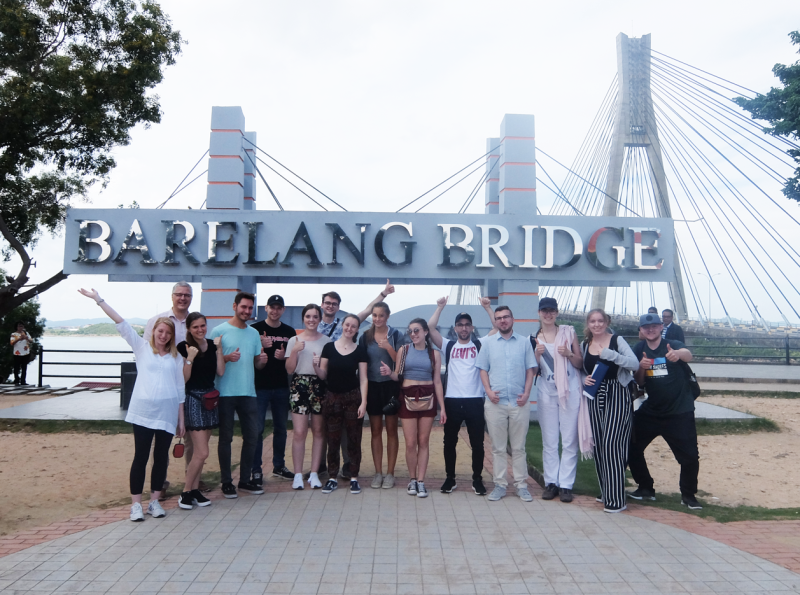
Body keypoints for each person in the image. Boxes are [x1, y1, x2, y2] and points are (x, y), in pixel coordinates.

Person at [78, 288, 185, 522]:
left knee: (162, 458)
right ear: (154, 331)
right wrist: (99, 299)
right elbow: (121, 322)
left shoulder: (177, 358)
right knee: (141, 457)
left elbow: (180, 389)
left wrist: (181, 419)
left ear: (172, 336)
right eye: (160, 331)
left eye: (168, 333)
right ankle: (136, 504)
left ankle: (154, 501)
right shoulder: (142, 348)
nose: (163, 336)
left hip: (166, 414)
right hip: (143, 412)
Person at [629, 313, 702, 510]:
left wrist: (678, 355)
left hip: (680, 411)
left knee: (689, 457)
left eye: (654, 326)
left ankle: (688, 495)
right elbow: (640, 381)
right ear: (641, 331)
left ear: (661, 327)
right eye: (646, 327)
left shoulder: (672, 343)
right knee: (630, 446)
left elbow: (688, 355)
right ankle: (645, 488)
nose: (650, 330)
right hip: (652, 411)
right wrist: (642, 367)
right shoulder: (639, 348)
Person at [427, 296, 497, 496]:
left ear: (472, 328)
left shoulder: (479, 344)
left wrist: (488, 308)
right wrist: (439, 307)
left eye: (467, 325)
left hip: (475, 400)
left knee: (477, 443)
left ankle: (477, 478)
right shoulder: (448, 345)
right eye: (460, 325)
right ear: (455, 328)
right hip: (452, 400)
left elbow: (496, 327)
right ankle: (450, 478)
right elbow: (431, 328)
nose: (464, 328)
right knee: (449, 442)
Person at [208, 292, 269, 499]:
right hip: (225, 393)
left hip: (248, 393)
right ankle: (226, 482)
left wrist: (263, 360)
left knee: (252, 436)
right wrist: (225, 357)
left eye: (250, 308)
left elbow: (257, 364)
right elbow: (211, 364)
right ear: (234, 306)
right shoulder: (219, 331)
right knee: (225, 438)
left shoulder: (253, 334)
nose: (247, 311)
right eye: (243, 307)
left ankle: (244, 480)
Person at [476, 306, 537, 502]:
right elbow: (483, 369)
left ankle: (521, 485)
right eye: (499, 318)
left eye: (506, 317)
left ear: (512, 319)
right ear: (495, 321)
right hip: (496, 403)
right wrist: (488, 391)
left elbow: (530, 370)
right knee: (498, 448)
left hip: (519, 402)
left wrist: (527, 393)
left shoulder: (524, 343)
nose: (502, 321)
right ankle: (500, 484)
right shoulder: (488, 344)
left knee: (519, 448)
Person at [581, 308, 639, 513]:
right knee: (598, 443)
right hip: (595, 396)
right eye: (592, 321)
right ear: (588, 324)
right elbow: (582, 370)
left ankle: (616, 500)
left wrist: (611, 355)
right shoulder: (584, 344)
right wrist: (583, 379)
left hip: (617, 392)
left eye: (600, 321)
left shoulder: (617, 340)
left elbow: (634, 364)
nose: (596, 324)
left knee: (613, 443)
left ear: (606, 322)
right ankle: (607, 491)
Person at [380, 318, 445, 498]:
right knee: (410, 443)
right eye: (410, 331)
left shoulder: (435, 354)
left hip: (428, 399)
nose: (413, 334)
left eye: (417, 330)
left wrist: (443, 408)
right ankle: (413, 479)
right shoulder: (404, 350)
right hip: (407, 397)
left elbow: (438, 382)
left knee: (423, 441)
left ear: (425, 332)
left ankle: (422, 481)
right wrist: (389, 373)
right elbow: (398, 376)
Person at [532, 297, 584, 503]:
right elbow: (533, 370)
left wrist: (569, 353)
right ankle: (551, 482)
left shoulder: (568, 332)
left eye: (551, 311)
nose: (548, 314)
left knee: (569, 439)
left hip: (569, 390)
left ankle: (566, 485)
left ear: (557, 312)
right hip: (546, 391)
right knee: (550, 440)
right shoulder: (535, 338)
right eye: (544, 311)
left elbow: (580, 363)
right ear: (539, 313)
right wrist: (537, 355)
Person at [143, 281, 194, 493]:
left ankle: (191, 482)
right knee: (161, 437)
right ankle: (159, 484)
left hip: (190, 385)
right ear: (172, 296)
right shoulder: (157, 321)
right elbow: (146, 352)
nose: (183, 298)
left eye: (187, 295)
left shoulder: (195, 321)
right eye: (179, 294)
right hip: (163, 387)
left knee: (191, 435)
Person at [312, 314, 368, 494]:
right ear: (342, 326)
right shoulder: (329, 348)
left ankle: (353, 477)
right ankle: (332, 477)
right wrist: (315, 367)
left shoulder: (360, 350)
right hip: (332, 397)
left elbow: (364, 379)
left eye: (353, 326)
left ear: (357, 329)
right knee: (333, 438)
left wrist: (363, 402)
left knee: (354, 438)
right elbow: (323, 375)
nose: (349, 328)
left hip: (353, 397)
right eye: (347, 325)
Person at [176, 313, 225, 510]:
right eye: (195, 327)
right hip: (193, 399)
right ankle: (186, 491)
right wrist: (190, 359)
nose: (200, 330)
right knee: (202, 452)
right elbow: (183, 380)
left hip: (210, 400)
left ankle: (195, 490)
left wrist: (220, 349)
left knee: (201, 451)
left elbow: (220, 372)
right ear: (189, 328)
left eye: (202, 326)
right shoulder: (184, 346)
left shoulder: (212, 346)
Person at [249, 294, 296, 484]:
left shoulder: (289, 331)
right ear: (266, 308)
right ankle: (256, 470)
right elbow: (246, 356)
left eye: (279, 308)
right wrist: (260, 344)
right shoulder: (255, 330)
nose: (275, 311)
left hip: (281, 387)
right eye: (272, 307)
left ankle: (279, 466)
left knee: (281, 429)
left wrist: (284, 356)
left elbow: (293, 362)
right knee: (257, 429)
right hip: (259, 387)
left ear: (283, 310)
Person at [358, 301, 405, 490]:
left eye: (381, 315)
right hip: (372, 386)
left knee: (392, 430)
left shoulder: (396, 335)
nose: (377, 319)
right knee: (376, 430)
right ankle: (378, 473)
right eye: (374, 315)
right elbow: (361, 363)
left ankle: (390, 473)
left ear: (388, 316)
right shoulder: (365, 336)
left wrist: (388, 347)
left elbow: (400, 362)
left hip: (391, 386)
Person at [285, 304, 331, 490]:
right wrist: (295, 350)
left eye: (315, 317)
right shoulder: (294, 340)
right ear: (303, 318)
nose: (311, 320)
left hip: (319, 387)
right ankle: (297, 474)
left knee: (319, 431)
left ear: (320, 319)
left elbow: (324, 375)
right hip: (299, 385)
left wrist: (317, 365)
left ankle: (314, 473)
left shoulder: (327, 342)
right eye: (308, 316)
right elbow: (289, 369)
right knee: (299, 432)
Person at [318, 280, 395, 341]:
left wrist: (384, 293)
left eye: (334, 304)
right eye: (328, 303)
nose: (330, 306)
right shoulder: (314, 324)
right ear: (322, 305)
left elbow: (367, 310)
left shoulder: (345, 324)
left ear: (338, 307)